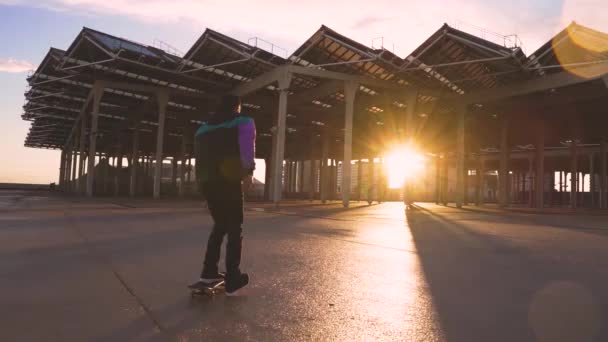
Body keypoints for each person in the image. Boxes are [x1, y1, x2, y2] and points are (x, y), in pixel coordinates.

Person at [191, 95, 255, 295]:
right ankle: (233, 277)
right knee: (235, 227)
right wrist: (248, 174)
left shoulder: (202, 129)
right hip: (229, 180)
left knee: (219, 225)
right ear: (237, 106)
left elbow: (199, 159)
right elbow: (247, 147)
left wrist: (203, 187)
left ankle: (208, 272)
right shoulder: (243, 121)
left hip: (209, 183)